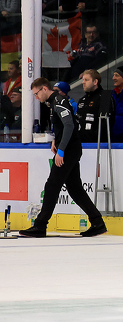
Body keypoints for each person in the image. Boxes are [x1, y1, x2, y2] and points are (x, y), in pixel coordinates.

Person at [18, 78, 107, 238]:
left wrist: (62, 151)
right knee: (75, 189)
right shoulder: (54, 102)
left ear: (44, 88)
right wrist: (55, 140)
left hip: (69, 150)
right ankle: (97, 222)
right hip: (68, 148)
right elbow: (62, 125)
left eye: (37, 94)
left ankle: (40, 225)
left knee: (52, 185)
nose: (36, 97)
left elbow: (69, 125)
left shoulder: (58, 101)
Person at [76, 69, 116, 144]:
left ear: (95, 82)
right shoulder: (82, 100)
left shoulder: (104, 98)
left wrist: (93, 137)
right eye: (83, 80)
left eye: (86, 80)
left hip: (99, 145)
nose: (83, 82)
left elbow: (107, 124)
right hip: (81, 144)